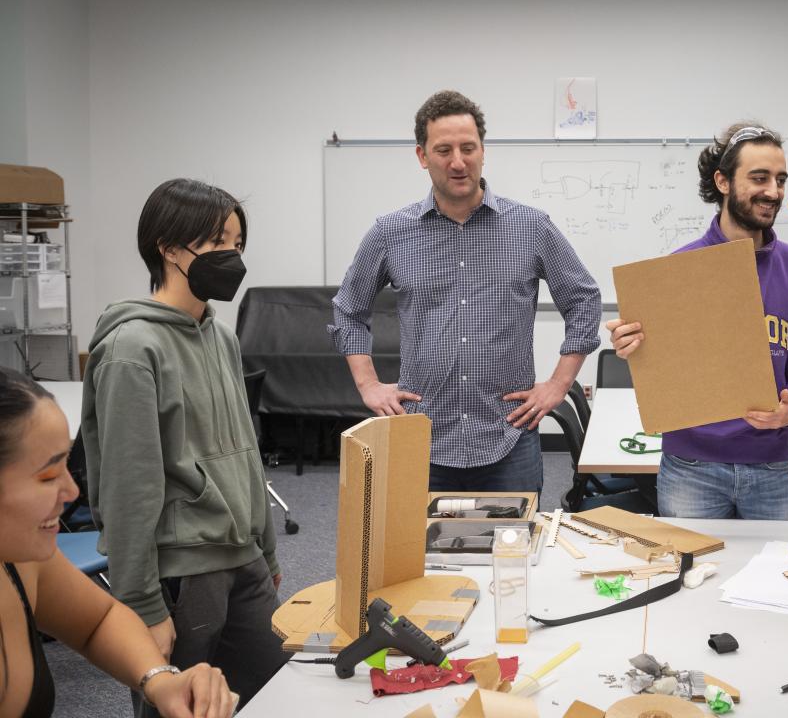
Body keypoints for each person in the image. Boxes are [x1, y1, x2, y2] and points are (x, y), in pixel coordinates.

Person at [82, 179, 289, 715]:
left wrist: (265, 547)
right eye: (217, 241)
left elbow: (245, 448)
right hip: (180, 575)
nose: (232, 256)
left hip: (242, 557)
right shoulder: (132, 347)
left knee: (276, 696)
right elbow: (128, 487)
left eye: (238, 243)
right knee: (184, 709)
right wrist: (142, 603)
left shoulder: (221, 336)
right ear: (168, 248)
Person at [330, 90, 602, 493]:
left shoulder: (531, 227)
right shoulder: (390, 233)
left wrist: (558, 385)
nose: (458, 162)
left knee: (515, 549)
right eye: (443, 150)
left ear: (483, 151)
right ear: (422, 156)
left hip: (509, 436)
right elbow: (348, 310)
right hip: (421, 437)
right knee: (418, 555)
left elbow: (583, 299)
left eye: (468, 148)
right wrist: (369, 384)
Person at [607, 123, 788, 519]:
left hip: (771, 463)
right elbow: (666, 366)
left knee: (777, 577)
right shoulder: (679, 269)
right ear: (723, 181)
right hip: (690, 467)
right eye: (759, 178)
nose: (774, 192)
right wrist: (634, 345)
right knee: (693, 574)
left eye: (781, 179)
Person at [0, 368, 236, 718]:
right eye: (48, 476)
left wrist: (162, 681)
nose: (72, 492)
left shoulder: (20, 559)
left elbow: (98, 619)